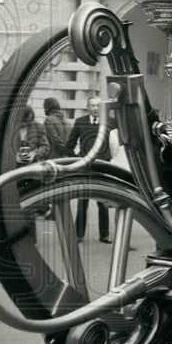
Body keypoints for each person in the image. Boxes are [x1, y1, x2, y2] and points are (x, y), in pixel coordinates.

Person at [65, 95, 113, 242]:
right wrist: (79, 159)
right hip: (84, 168)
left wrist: (109, 160)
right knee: (82, 201)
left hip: (103, 167)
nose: (96, 108)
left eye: (98, 105)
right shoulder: (80, 122)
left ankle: (104, 235)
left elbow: (117, 144)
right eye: (92, 105)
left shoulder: (110, 122)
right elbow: (69, 146)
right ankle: (79, 235)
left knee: (103, 202)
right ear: (87, 107)